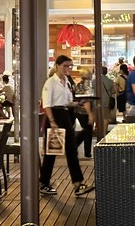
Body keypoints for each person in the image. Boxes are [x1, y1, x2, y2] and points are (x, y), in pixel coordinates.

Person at [39, 55, 94, 197]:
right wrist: (52, 121)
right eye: (64, 65)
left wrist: (79, 103)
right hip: (54, 116)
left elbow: (68, 102)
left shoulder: (67, 82)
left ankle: (78, 183)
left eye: (69, 66)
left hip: (65, 115)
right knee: (51, 152)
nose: (67, 68)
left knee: (71, 150)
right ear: (57, 66)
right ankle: (43, 183)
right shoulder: (50, 82)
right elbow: (46, 104)